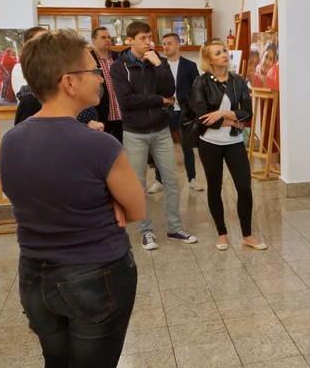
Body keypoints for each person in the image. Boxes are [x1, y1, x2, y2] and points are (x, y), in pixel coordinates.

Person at [0, 29, 144, 368]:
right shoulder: (98, 143)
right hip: (94, 277)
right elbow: (136, 208)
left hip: (35, 278)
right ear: (68, 81)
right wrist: (108, 199)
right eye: (92, 69)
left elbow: (26, 195)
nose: (100, 77)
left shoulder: (12, 139)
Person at [110, 20, 195, 250]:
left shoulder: (158, 61)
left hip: (161, 130)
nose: (148, 42)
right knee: (138, 185)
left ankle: (175, 228)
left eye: (150, 37)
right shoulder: (119, 67)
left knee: (172, 181)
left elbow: (169, 90)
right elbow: (127, 101)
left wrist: (158, 65)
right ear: (130, 40)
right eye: (143, 38)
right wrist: (159, 100)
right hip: (135, 133)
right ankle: (146, 231)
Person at [189, 39, 265, 251]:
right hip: (210, 143)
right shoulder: (201, 82)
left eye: (224, 50)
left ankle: (247, 235)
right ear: (209, 60)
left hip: (234, 142)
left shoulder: (237, 81)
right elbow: (203, 117)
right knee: (215, 188)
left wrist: (223, 113)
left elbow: (248, 113)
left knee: (244, 187)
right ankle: (222, 234)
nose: (224, 54)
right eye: (217, 53)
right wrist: (233, 121)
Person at [149, 33, 204, 193]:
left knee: (187, 147)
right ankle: (159, 180)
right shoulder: (158, 64)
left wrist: (193, 109)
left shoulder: (189, 65)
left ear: (178, 45)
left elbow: (196, 89)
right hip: (164, 112)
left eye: (169, 43)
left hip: (183, 112)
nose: (165, 46)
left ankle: (192, 179)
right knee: (160, 147)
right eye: (164, 44)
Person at [90, 27, 123, 142]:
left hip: (121, 113)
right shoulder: (88, 60)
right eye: (103, 37)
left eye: (109, 37)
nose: (108, 40)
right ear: (94, 40)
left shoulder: (119, 57)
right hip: (101, 113)